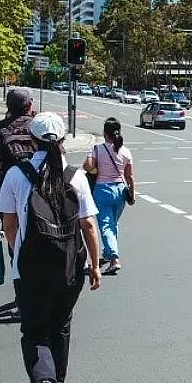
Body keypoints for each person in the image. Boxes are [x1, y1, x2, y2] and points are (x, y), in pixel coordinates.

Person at [0, 112, 101, 383]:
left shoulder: (17, 174)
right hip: (69, 267)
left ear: (30, 140)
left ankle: (44, 382)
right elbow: (89, 225)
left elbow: (9, 224)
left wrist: (17, 253)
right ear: (63, 141)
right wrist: (94, 266)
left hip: (30, 270)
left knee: (34, 330)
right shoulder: (75, 176)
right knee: (61, 326)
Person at [83, 117, 135, 274]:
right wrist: (132, 194)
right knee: (112, 224)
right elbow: (130, 176)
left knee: (106, 225)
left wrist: (92, 165)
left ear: (105, 133)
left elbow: (88, 166)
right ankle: (107, 253)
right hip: (120, 191)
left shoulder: (97, 149)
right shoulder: (125, 151)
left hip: (102, 190)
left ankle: (114, 258)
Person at [0, 88, 36, 221]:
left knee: (13, 236)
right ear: (30, 105)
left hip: (9, 194)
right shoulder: (38, 126)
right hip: (39, 194)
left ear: (8, 106)